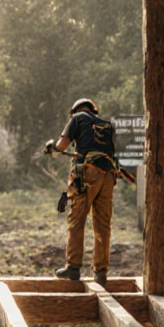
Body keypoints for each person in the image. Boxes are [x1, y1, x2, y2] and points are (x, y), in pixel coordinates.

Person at [44, 98, 118, 283]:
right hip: (109, 174)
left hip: (87, 174)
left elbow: (61, 146)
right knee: (103, 225)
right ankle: (100, 272)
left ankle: (73, 266)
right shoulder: (107, 124)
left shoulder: (77, 119)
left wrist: (50, 147)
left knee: (77, 220)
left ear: (76, 110)